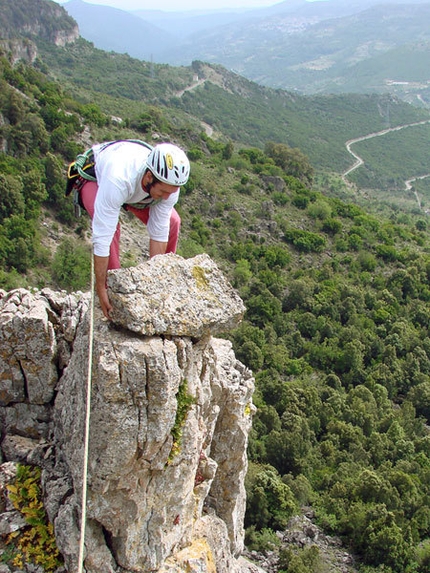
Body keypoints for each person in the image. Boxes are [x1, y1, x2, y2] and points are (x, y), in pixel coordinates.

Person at [78, 140, 190, 319]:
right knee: (111, 228)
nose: (167, 197)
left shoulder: (168, 186)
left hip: (136, 192)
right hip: (96, 178)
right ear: (148, 177)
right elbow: (102, 238)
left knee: (173, 222)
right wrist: (101, 287)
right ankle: (113, 296)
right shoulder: (118, 179)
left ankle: (163, 284)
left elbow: (160, 231)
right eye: (163, 192)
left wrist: (157, 285)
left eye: (171, 192)